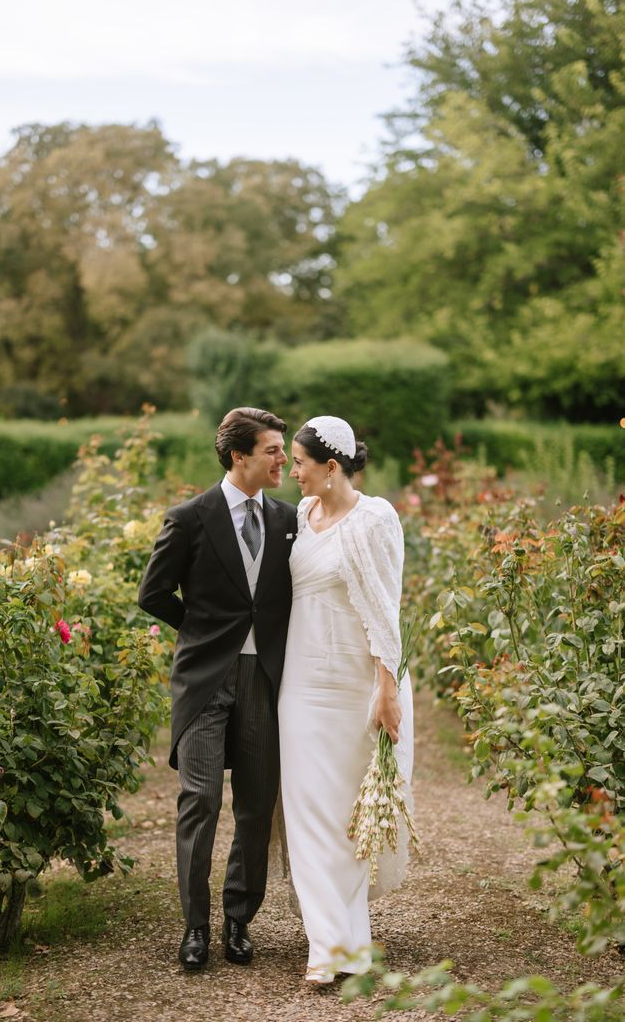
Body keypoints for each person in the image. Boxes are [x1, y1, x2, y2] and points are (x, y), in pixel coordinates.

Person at [138, 407, 297, 971]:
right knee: (200, 800)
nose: (284, 459)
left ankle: (238, 920)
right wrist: (203, 631)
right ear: (239, 456)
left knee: (256, 804)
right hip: (205, 679)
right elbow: (152, 594)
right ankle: (196, 927)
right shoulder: (189, 517)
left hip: (265, 677)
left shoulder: (288, 520)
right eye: (274, 450)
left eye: (283, 450)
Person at [278, 415, 414, 984]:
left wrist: (386, 691)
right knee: (306, 811)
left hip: (357, 684)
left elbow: (386, 610)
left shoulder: (375, 518)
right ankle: (327, 946)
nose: (292, 472)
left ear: (331, 467)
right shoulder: (300, 520)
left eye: (299, 463)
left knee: (348, 816)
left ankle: (350, 940)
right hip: (301, 686)